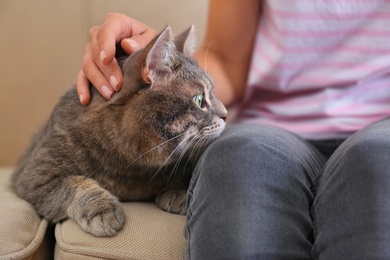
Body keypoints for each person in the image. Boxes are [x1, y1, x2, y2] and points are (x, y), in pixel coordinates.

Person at [76, 0, 390, 259]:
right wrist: (155, 63)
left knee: (375, 161)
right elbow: (226, 61)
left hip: (383, 127)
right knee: (239, 160)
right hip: (270, 130)